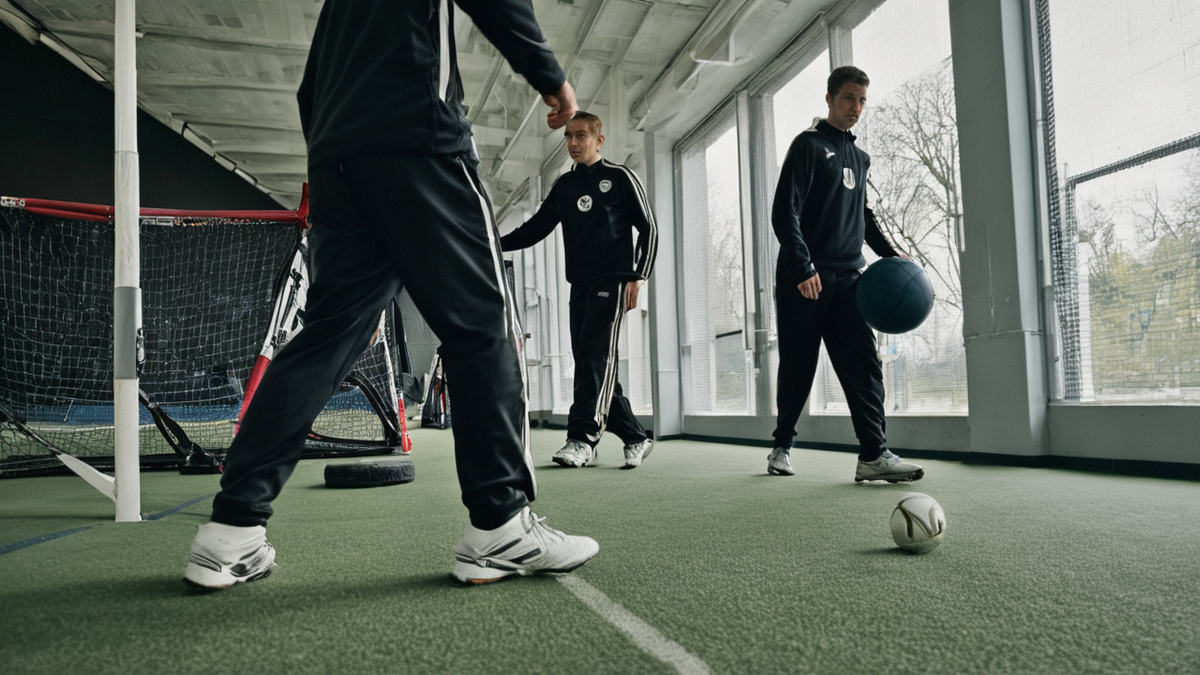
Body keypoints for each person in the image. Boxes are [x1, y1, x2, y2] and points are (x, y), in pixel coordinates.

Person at [183, 0, 598, 590]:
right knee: (484, 325)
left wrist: (335, 151)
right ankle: (500, 525)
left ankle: (229, 535)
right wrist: (551, 76)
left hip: (337, 158)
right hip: (419, 138)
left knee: (326, 335)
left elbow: (310, 87)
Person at [768, 65, 925, 483]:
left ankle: (873, 454)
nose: (855, 107)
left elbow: (864, 216)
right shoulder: (807, 146)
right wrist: (803, 266)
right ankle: (782, 445)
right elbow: (785, 211)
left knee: (863, 366)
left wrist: (893, 256)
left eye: (861, 101)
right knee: (799, 367)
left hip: (849, 280)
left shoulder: (860, 157)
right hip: (805, 280)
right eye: (848, 99)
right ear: (830, 99)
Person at [500, 112, 657, 470]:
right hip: (580, 285)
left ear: (599, 140)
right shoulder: (564, 187)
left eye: (581, 136)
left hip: (614, 282)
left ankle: (582, 438)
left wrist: (639, 276)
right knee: (592, 363)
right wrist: (493, 243)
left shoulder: (620, 178)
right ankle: (635, 435)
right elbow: (535, 228)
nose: (572, 143)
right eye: (568, 137)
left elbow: (649, 229)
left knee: (593, 360)